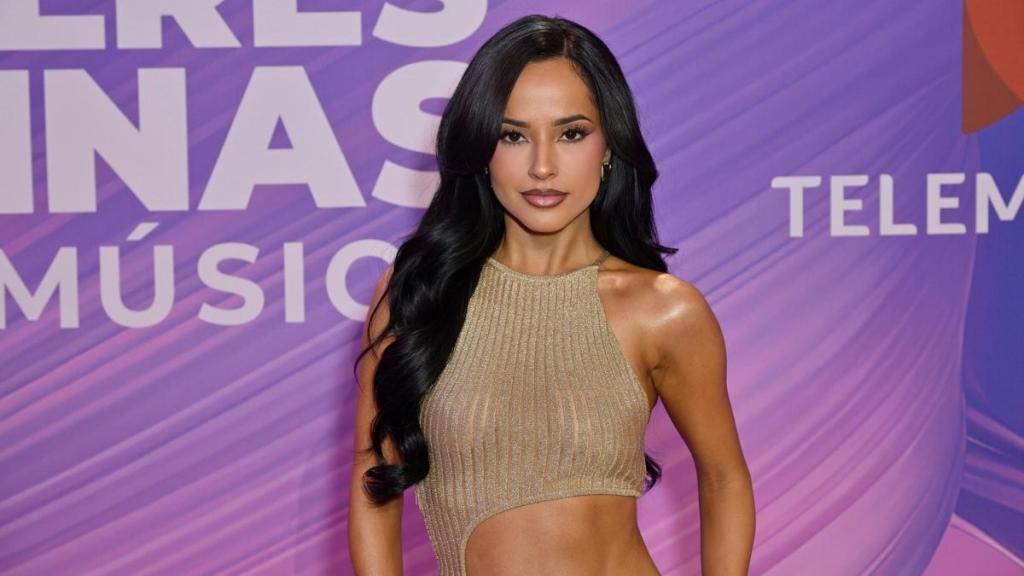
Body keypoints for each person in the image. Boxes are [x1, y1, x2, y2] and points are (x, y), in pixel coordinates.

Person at [348, 14, 754, 576]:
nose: (542, 166)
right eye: (513, 136)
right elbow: (373, 482)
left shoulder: (664, 310)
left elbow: (725, 478)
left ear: (608, 145)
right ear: (482, 149)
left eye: (572, 133)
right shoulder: (418, 293)